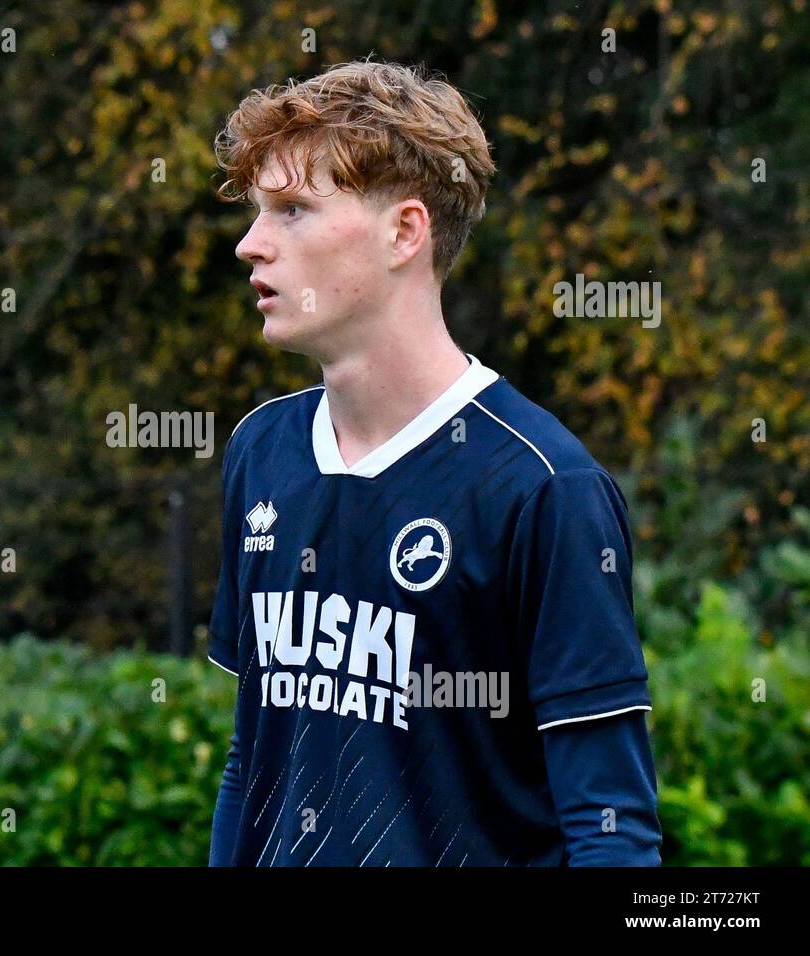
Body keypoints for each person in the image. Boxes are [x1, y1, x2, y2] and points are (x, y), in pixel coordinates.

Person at [206, 58, 662, 866]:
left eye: (293, 210)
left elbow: (609, 828)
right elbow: (253, 763)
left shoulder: (543, 488)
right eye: (255, 213)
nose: (251, 244)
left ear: (405, 233)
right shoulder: (260, 453)